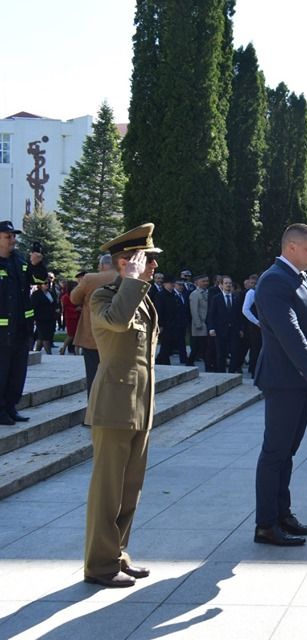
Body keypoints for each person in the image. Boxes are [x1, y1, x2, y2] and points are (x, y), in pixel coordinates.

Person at [83, 223, 161, 588]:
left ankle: (118, 553)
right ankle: (99, 565)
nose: (153, 266)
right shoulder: (103, 297)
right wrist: (130, 281)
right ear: (124, 262)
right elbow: (115, 323)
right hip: (114, 406)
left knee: (130, 489)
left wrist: (135, 284)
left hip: (139, 407)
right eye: (147, 259)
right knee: (107, 491)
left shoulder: (141, 297)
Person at [254, 223, 307, 546]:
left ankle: (282, 515)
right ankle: (266, 524)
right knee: (275, 452)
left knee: (288, 452)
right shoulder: (274, 281)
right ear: (291, 248)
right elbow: (290, 333)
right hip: (284, 381)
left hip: (300, 382)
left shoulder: (301, 280)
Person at [0, 221, 46, 425]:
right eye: (7, 236)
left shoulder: (19, 261)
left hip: (20, 329)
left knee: (17, 372)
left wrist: (37, 264)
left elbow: (38, 279)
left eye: (13, 236)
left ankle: (11, 407)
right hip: (2, 331)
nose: (13, 240)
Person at [71, 254, 117, 394]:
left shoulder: (90, 278)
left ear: (102, 265)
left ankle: (94, 409)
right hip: (116, 335)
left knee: (93, 374)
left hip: (92, 335)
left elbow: (74, 298)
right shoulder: (124, 277)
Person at [206, 276, 243, 373]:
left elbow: (239, 315)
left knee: (235, 353)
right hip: (220, 330)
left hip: (233, 330)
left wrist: (241, 329)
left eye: (230, 283)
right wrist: (211, 328)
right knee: (221, 353)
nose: (228, 285)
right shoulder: (216, 298)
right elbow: (211, 314)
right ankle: (221, 373)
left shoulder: (236, 298)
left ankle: (231, 372)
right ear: (221, 285)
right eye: (226, 283)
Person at [156, 281, 189, 365]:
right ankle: (164, 361)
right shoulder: (161, 295)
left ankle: (161, 360)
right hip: (165, 324)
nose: (172, 285)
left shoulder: (172, 295)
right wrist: (160, 324)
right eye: (170, 283)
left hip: (174, 323)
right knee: (165, 344)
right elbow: (159, 311)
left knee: (169, 345)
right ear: (165, 284)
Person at [188, 275, 214, 370]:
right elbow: (194, 310)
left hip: (207, 323)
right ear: (197, 283)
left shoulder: (208, 292)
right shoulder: (195, 294)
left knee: (204, 346)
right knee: (198, 346)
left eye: (207, 281)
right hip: (199, 324)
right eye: (203, 281)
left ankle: (207, 364)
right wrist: (198, 323)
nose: (206, 283)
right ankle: (190, 362)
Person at [31, 280, 59, 354]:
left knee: (42, 336)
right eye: (45, 283)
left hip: (51, 318)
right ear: (40, 285)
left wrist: (56, 309)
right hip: (41, 318)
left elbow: (55, 303)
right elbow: (34, 306)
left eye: (48, 283)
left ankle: (36, 351)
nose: (47, 285)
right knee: (45, 336)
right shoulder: (36, 294)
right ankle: (49, 353)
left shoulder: (51, 293)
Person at [241, 274, 261, 376]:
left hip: (263, 326)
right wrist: (257, 322)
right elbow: (245, 310)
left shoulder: (262, 291)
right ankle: (254, 371)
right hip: (255, 326)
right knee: (255, 349)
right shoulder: (251, 292)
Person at [60, 279, 81, 355]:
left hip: (77, 317)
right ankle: (64, 348)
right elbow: (65, 308)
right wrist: (76, 309)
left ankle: (76, 350)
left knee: (77, 335)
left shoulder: (75, 295)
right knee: (71, 335)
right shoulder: (66, 297)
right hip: (70, 317)